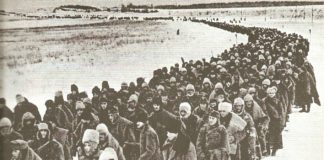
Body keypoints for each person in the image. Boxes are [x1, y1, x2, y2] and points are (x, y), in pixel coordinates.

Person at [263, 87, 285, 156]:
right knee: (268, 135)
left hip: (276, 120)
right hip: (269, 120)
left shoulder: (278, 101)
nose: (271, 94)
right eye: (269, 93)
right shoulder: (265, 100)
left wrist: (281, 119)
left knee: (276, 135)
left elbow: (281, 111)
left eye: (272, 93)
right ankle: (268, 150)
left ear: (275, 93)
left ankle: (274, 150)